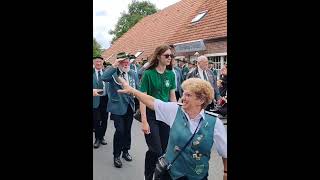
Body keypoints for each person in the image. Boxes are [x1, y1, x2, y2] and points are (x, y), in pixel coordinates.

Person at [117, 77, 227, 180]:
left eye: (188, 95)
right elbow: (152, 102)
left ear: (201, 100)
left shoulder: (214, 123)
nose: (183, 98)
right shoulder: (174, 110)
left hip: (198, 176)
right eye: (184, 94)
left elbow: (225, 152)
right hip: (171, 174)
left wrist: (225, 172)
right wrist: (132, 90)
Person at [139, 44, 177, 180]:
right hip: (151, 115)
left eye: (171, 56)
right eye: (166, 55)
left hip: (166, 115)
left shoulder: (171, 74)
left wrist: (175, 117)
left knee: (165, 149)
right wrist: (144, 121)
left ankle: (159, 176)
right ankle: (148, 176)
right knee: (155, 150)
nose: (169, 58)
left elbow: (172, 97)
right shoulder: (148, 74)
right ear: (158, 56)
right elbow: (142, 98)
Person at [100, 52, 140, 168]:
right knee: (120, 131)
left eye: (127, 61)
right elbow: (103, 77)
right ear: (119, 63)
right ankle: (116, 155)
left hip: (129, 106)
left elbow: (137, 87)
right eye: (123, 62)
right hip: (117, 107)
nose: (126, 63)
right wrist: (114, 65)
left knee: (127, 130)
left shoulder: (132, 73)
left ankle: (125, 151)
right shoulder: (113, 73)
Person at [93, 56, 109, 149]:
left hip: (105, 99)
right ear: (94, 63)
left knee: (104, 119)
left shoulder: (107, 73)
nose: (98, 63)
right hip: (95, 99)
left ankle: (102, 136)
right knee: (96, 120)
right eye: (96, 62)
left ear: (102, 63)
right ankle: (97, 139)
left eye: (100, 61)